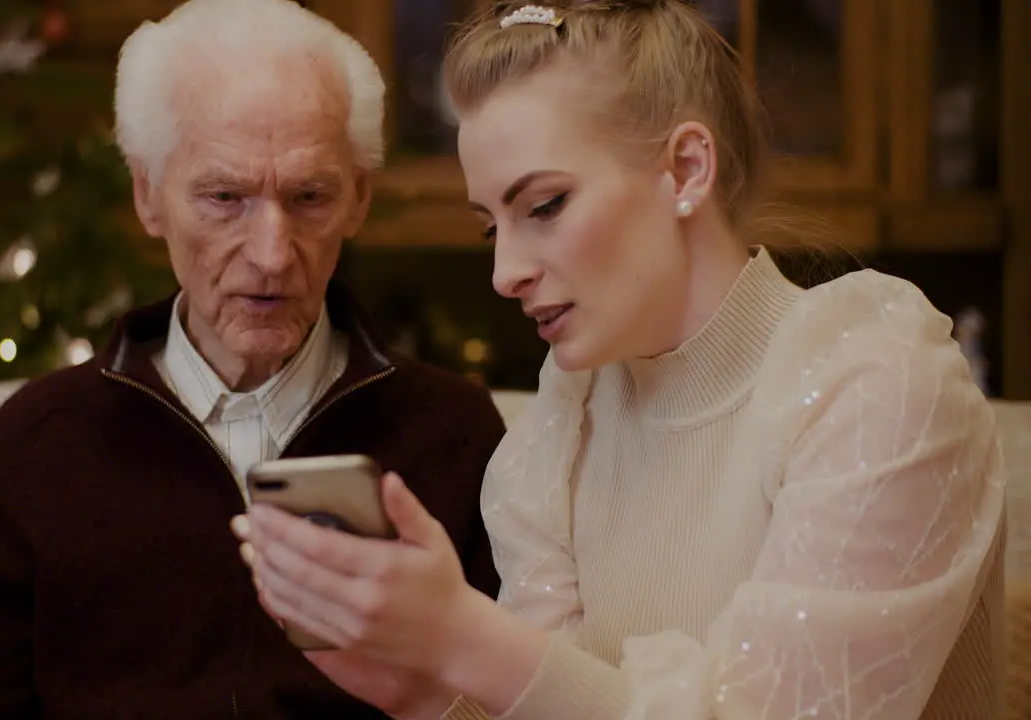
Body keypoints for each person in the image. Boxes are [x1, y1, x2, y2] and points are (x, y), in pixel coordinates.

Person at [236, 2, 1007, 718]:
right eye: (490, 227)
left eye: (543, 206)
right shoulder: (559, 430)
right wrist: (424, 693)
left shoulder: (875, 383)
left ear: (686, 170)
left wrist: (468, 641)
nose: (505, 273)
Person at [0, 1, 505, 717]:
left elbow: (510, 698)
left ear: (360, 199)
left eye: (309, 196)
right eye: (225, 198)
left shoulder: (453, 433)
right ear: (148, 195)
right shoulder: (42, 437)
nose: (272, 254)